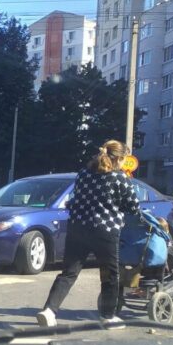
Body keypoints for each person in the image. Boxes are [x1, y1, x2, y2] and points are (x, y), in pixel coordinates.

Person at [37, 140, 141, 328]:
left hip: (78, 228)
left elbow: (76, 197)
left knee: (68, 272)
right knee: (109, 274)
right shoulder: (120, 178)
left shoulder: (84, 174)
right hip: (106, 231)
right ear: (119, 159)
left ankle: (49, 310)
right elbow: (133, 207)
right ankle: (108, 316)